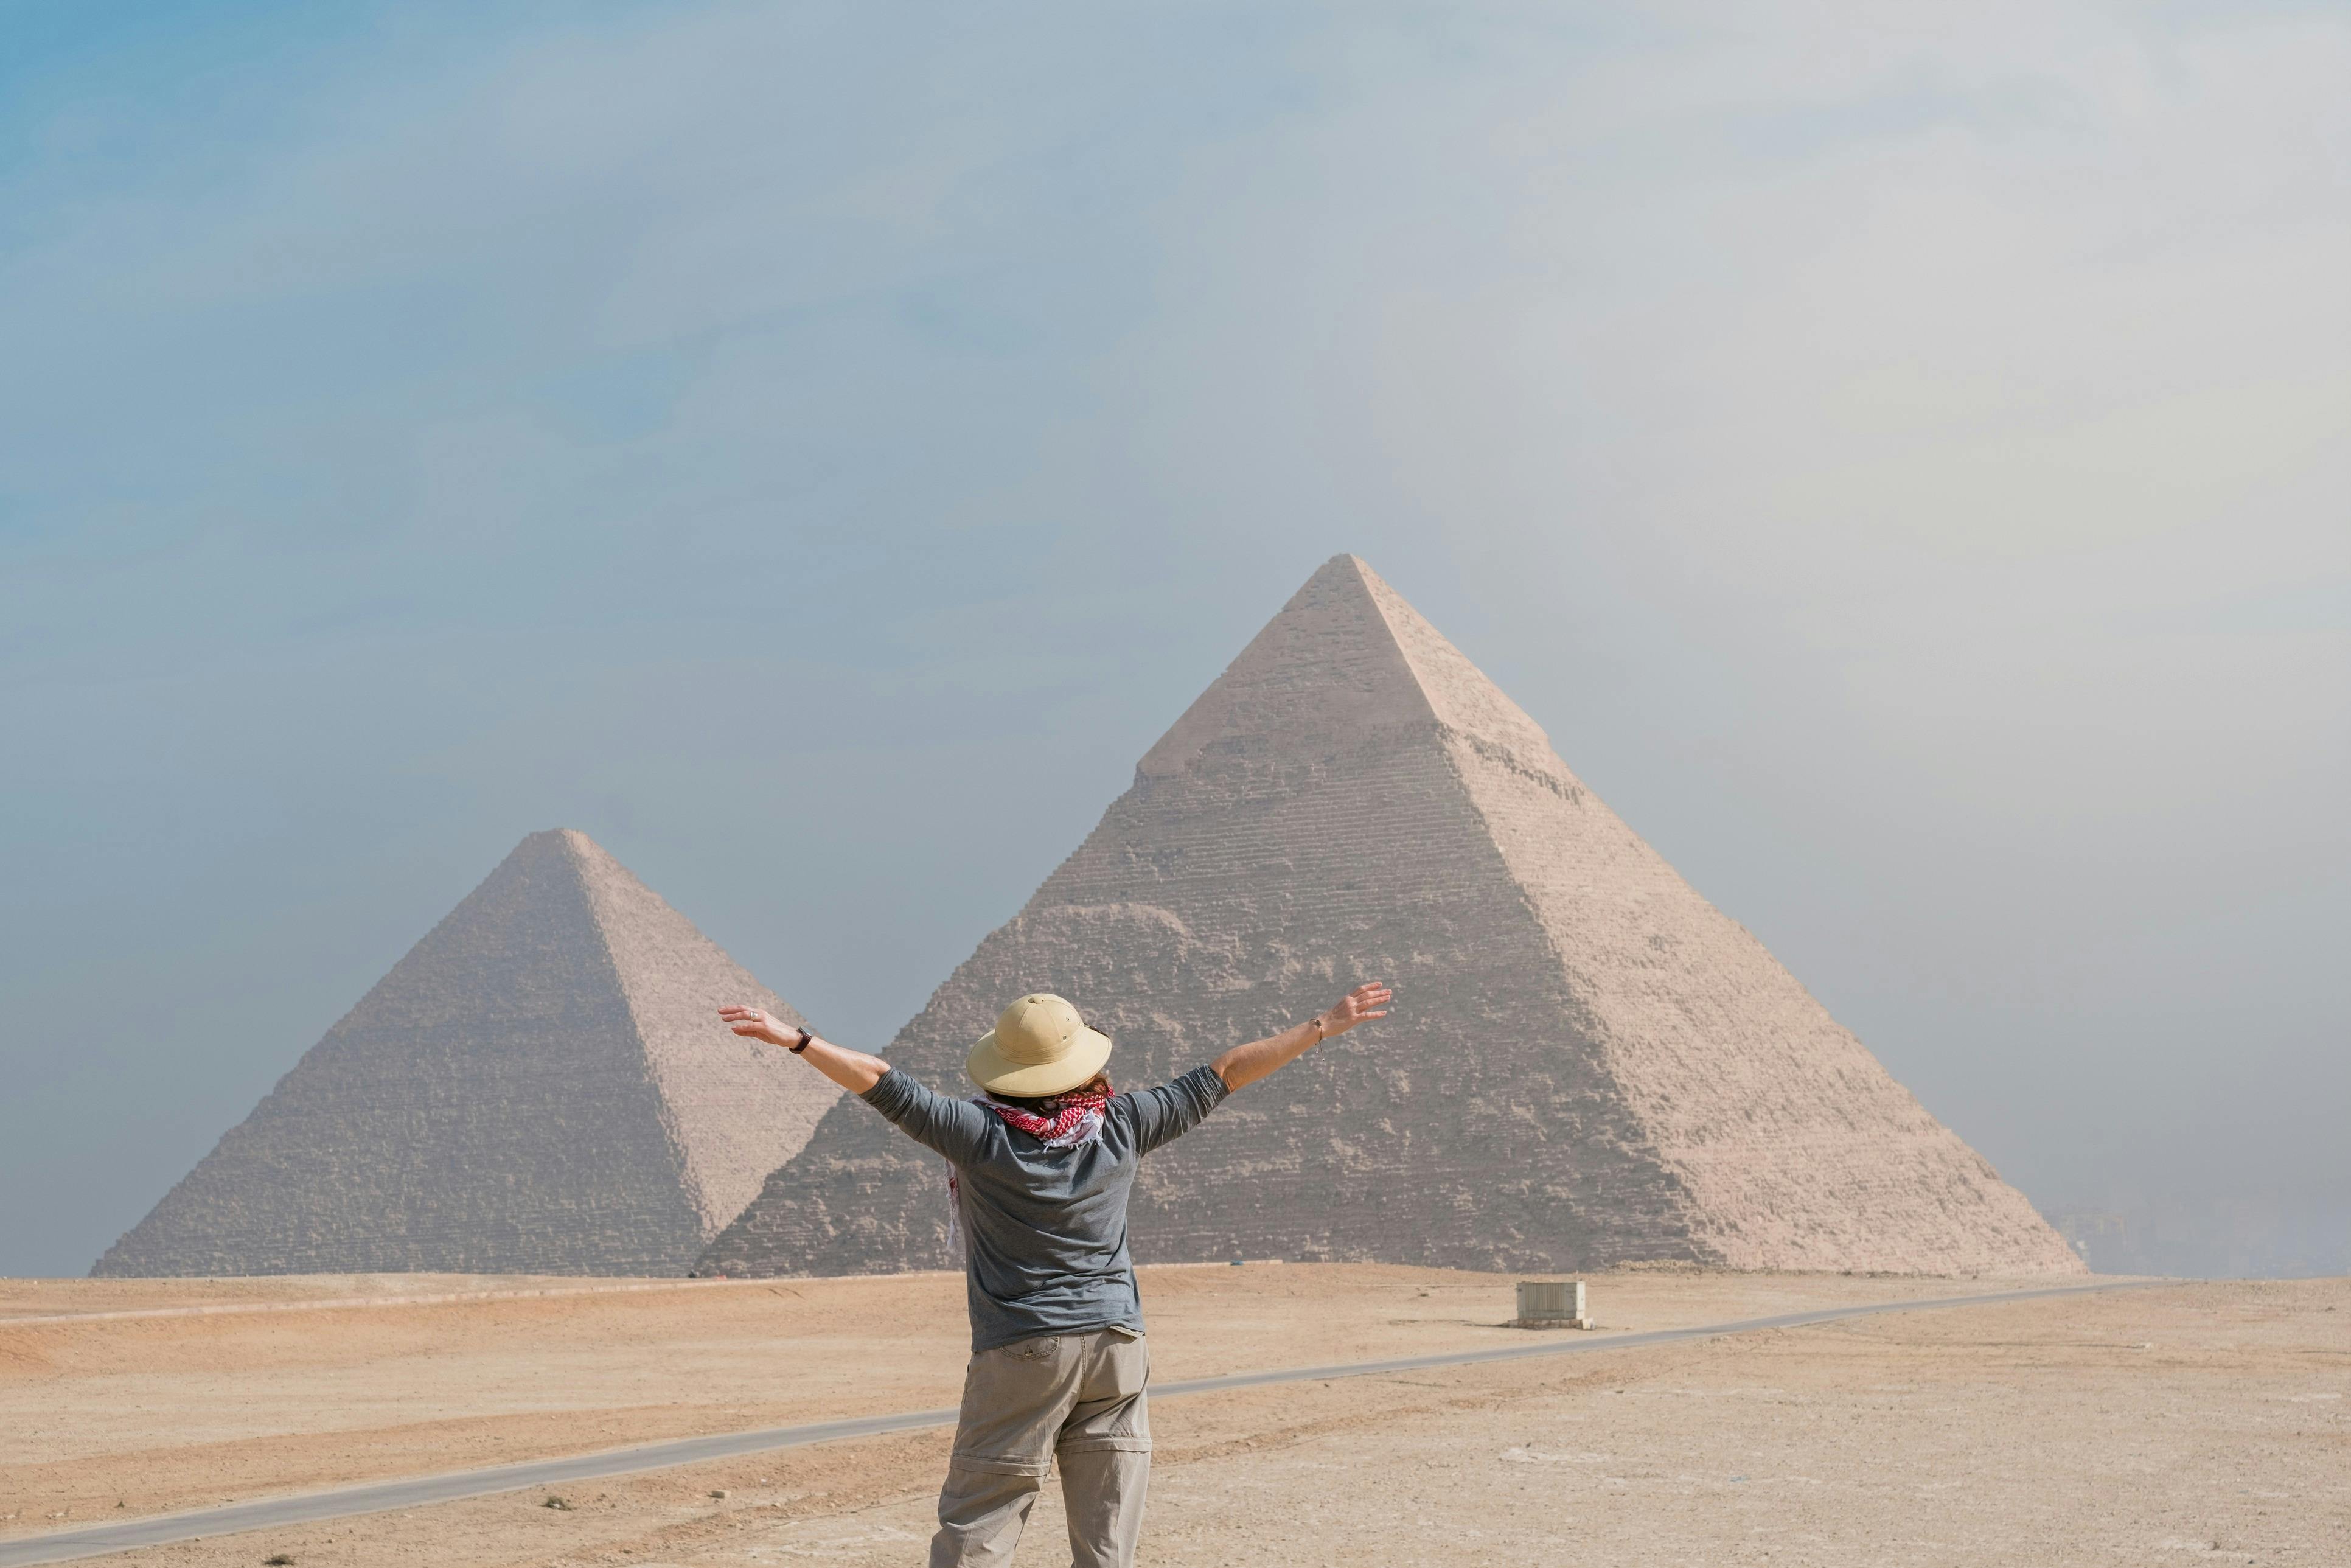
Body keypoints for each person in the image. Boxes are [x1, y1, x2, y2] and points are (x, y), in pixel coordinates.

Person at [717, 980, 1391, 1568]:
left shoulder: (977, 1134)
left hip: (1025, 1346)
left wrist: (798, 1041)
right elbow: (1227, 1071)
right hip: (1117, 1347)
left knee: (982, 1518)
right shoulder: (1122, 1124)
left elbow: (881, 1081)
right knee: (1106, 1542)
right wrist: (1324, 1025)